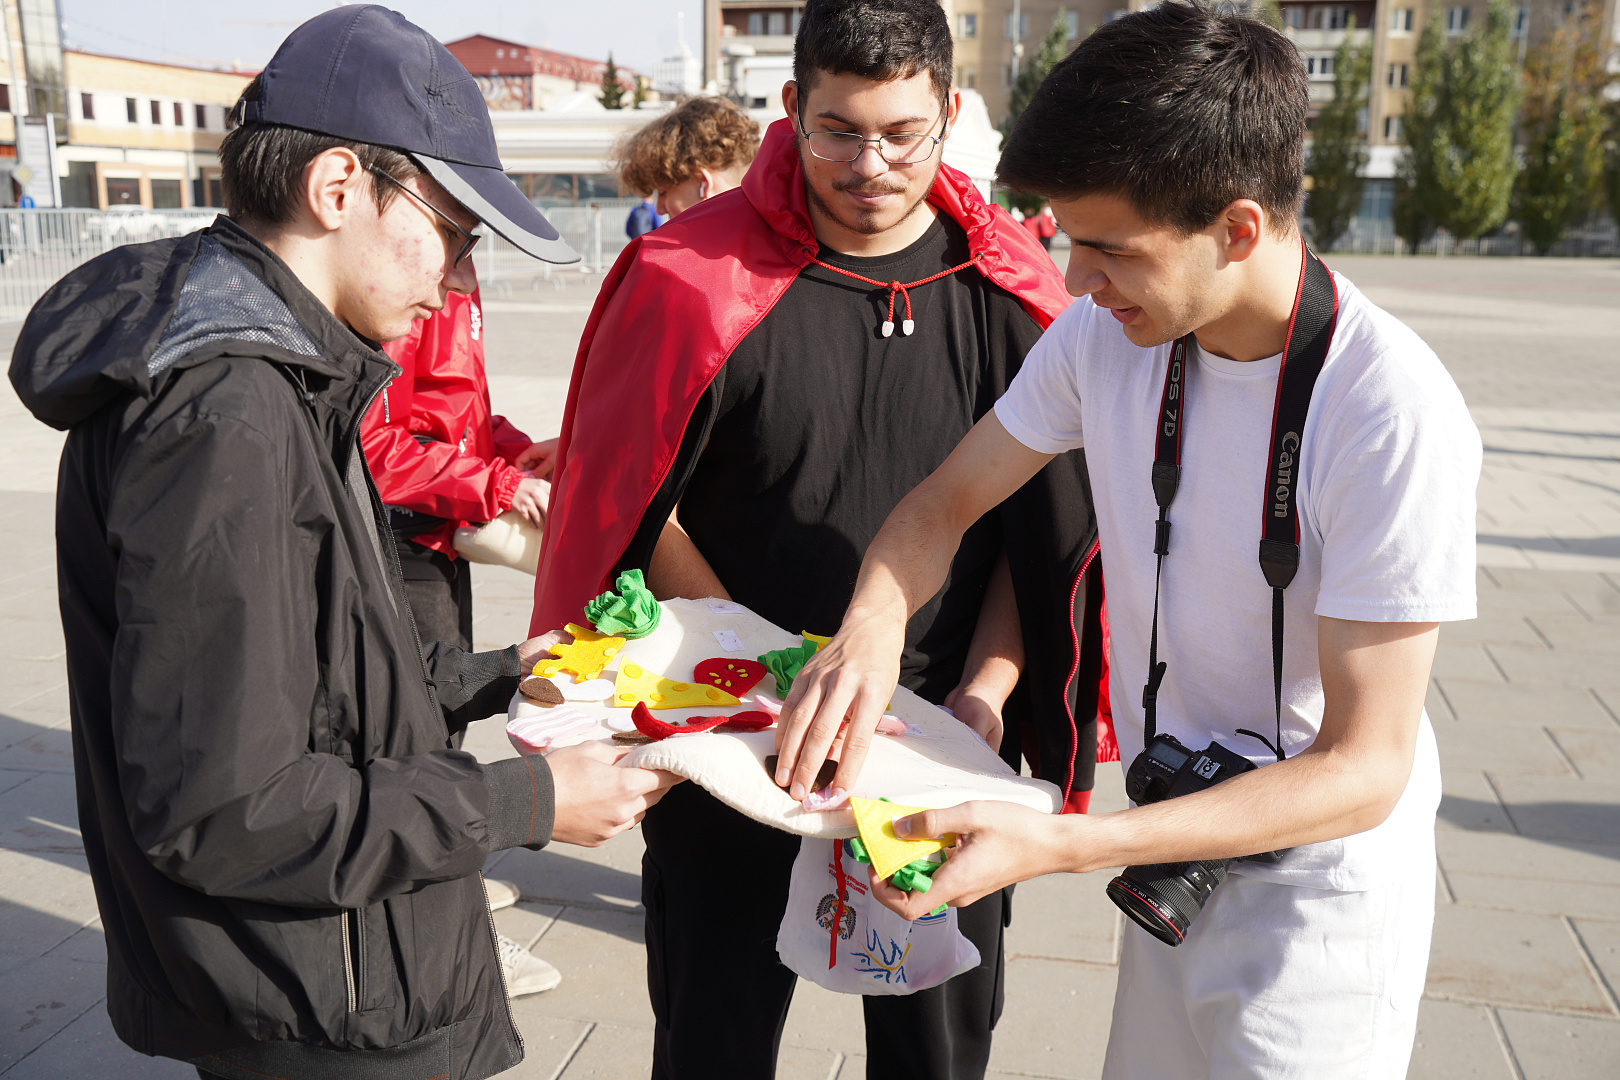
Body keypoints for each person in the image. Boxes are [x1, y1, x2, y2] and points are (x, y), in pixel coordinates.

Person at [778, 5, 1481, 1078]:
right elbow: (939, 508)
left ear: (1237, 228)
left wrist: (1064, 843)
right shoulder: (1103, 339)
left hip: (1314, 900)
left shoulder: (1388, 410)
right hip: (1171, 855)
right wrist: (872, 628)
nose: (1073, 280)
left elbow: (1364, 766)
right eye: (1066, 239)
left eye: (1108, 249)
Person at [9, 8, 676, 1079]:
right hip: (317, 1001)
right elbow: (227, 807)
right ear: (337, 189)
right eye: (453, 229)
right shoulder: (224, 417)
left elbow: (318, 671)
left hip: (346, 964)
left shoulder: (289, 374)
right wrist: (528, 802)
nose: (457, 277)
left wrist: (498, 677)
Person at [532, 2, 1107, 1077]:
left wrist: (982, 697)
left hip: (939, 745)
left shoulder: (1019, 298)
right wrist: (766, 676)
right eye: (837, 129)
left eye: (904, 132)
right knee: (713, 1042)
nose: (871, 164)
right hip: (732, 738)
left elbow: (1046, 541)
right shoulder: (685, 278)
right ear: (790, 110)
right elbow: (634, 509)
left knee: (938, 1052)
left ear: (951, 113)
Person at [360, 279, 562, 996]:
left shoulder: (453, 263)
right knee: (421, 739)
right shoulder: (405, 271)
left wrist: (511, 453)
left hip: (440, 526)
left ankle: (453, 891)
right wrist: (495, 483)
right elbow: (374, 441)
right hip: (405, 534)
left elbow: (454, 412)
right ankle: (450, 939)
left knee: (446, 722)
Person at [614, 94, 760, 220]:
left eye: (664, 193)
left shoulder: (678, 252)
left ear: (704, 185)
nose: (659, 209)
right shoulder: (775, 241)